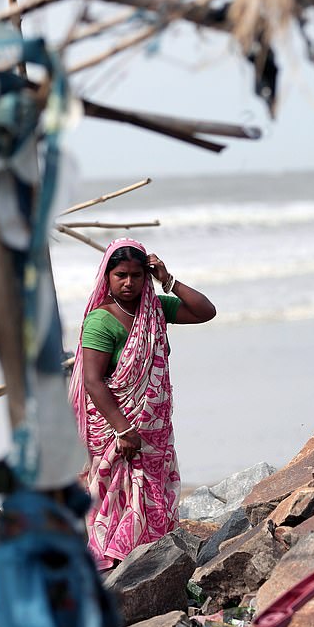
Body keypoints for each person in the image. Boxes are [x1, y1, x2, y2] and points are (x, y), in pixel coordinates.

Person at [68, 237, 217, 571]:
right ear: (106, 276)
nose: (128, 282)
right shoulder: (101, 320)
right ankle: (116, 563)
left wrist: (169, 280)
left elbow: (206, 311)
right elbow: (93, 381)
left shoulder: (155, 310)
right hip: (116, 425)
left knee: (150, 492)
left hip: (152, 426)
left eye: (137, 275)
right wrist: (125, 429)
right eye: (121, 274)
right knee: (115, 499)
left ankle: (149, 559)